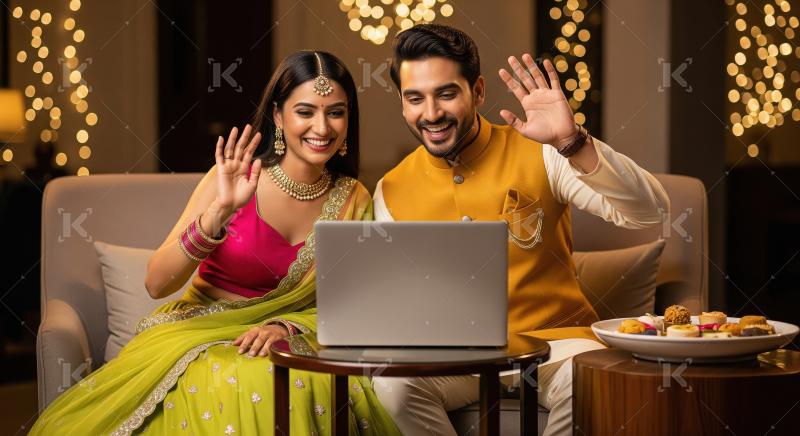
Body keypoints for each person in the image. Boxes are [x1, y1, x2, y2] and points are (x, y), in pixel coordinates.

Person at [31, 51, 400, 435]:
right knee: (244, 379)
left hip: (289, 342)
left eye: (335, 112)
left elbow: (355, 307)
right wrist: (220, 211)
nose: (322, 127)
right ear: (278, 116)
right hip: (198, 338)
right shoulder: (233, 178)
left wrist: (285, 328)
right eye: (305, 112)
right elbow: (157, 283)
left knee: (301, 381)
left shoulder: (354, 198)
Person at [371, 24, 670, 436]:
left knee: (589, 382)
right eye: (415, 99)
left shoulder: (546, 151)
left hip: (558, 345)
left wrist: (572, 141)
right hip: (457, 357)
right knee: (391, 384)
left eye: (446, 93)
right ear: (403, 105)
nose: (431, 113)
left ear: (477, 92)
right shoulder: (391, 188)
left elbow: (650, 213)